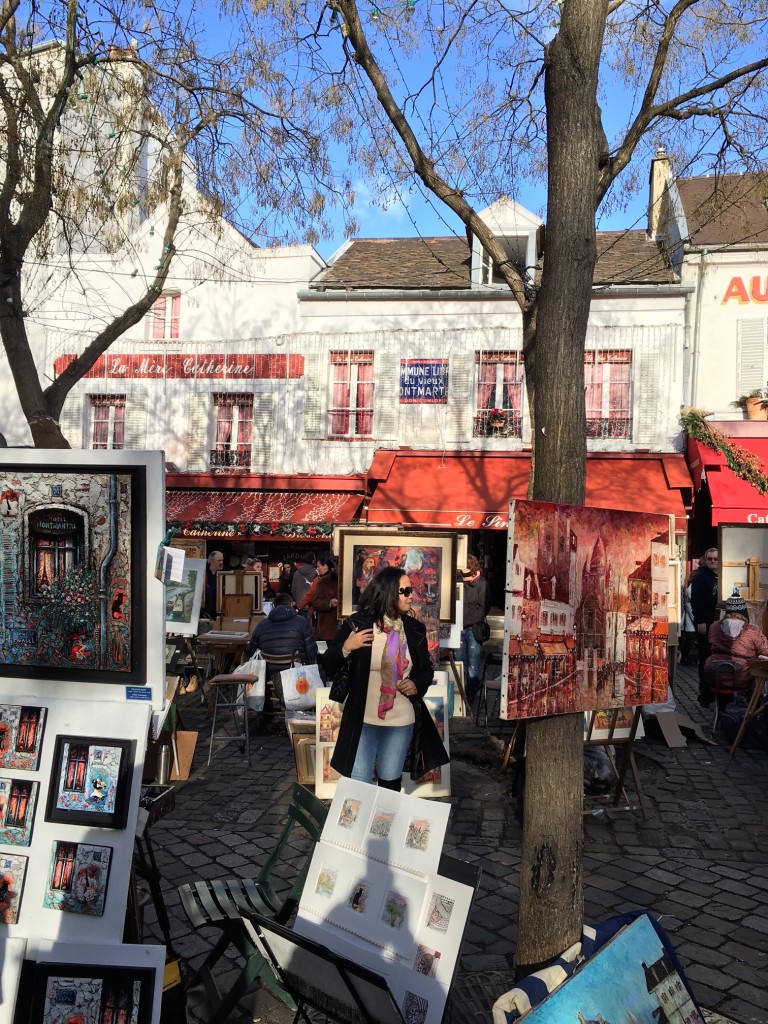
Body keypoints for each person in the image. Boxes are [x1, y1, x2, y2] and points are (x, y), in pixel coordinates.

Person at [323, 566, 434, 791]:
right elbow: (328, 664)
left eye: (410, 590)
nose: (411, 595)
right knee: (360, 780)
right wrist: (346, 647)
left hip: (400, 719)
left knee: (389, 779)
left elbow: (426, 670)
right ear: (389, 593)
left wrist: (416, 683)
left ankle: (384, 825)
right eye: (405, 591)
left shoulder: (414, 629)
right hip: (362, 718)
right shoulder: (357, 625)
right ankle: (360, 826)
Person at [704, 589, 768, 703]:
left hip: (715, 675)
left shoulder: (714, 627)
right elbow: (766, 651)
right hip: (741, 677)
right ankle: (753, 705)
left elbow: (710, 644)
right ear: (744, 612)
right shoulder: (752, 631)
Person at [245, 594, 318, 666]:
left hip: (269, 671)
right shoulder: (302, 622)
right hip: (296, 671)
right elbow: (311, 652)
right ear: (291, 604)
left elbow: (250, 652)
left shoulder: (261, 625)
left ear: (273, 605)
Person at [459, 555, 489, 701]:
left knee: (473, 663)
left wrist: (467, 621)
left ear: (474, 572)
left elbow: (483, 608)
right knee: (460, 660)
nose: (462, 578)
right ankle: (462, 691)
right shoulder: (460, 582)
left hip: (473, 627)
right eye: (461, 574)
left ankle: (471, 692)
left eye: (465, 575)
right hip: (458, 626)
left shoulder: (482, 584)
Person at [690, 547, 719, 705]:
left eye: (716, 559)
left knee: (713, 657)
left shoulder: (717, 575)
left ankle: (712, 692)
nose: (713, 561)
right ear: (705, 560)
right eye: (710, 559)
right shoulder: (701, 577)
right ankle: (705, 694)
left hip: (716, 622)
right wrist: (700, 621)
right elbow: (696, 600)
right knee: (705, 657)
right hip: (705, 623)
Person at [309, 553, 339, 640]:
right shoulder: (324, 581)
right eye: (337, 565)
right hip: (327, 630)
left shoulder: (351, 581)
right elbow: (315, 601)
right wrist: (329, 604)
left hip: (346, 631)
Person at [203, 550, 224, 619]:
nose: (221, 562)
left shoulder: (223, 576)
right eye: (219, 560)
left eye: (222, 560)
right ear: (212, 561)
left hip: (218, 611)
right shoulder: (204, 573)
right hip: (205, 611)